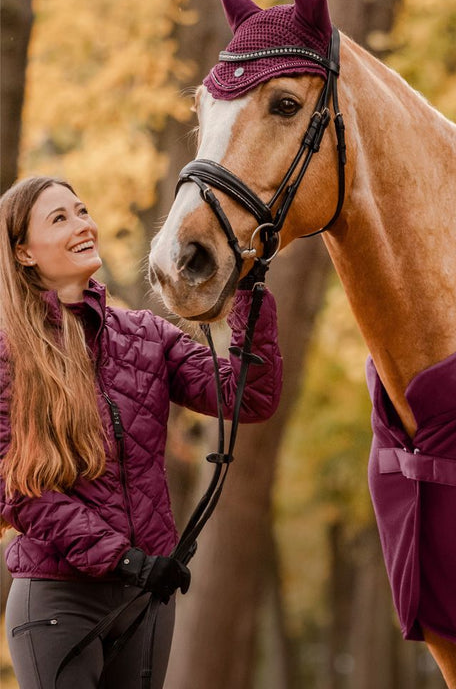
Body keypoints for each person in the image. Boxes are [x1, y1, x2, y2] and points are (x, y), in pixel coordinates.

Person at [0, 176, 283, 689]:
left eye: (82, 211)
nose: (83, 224)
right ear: (23, 253)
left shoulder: (145, 335)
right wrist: (123, 558)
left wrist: (246, 287)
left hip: (146, 600)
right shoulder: (8, 354)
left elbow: (247, 396)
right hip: (58, 599)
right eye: (59, 218)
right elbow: (16, 490)